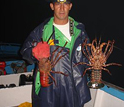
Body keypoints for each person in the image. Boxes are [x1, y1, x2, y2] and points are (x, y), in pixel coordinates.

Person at [20, 0, 91, 107]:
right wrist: (34, 52)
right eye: (58, 3)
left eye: (65, 3)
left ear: (70, 6)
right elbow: (24, 51)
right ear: (52, 6)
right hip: (48, 88)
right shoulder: (42, 30)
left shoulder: (79, 31)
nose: (62, 8)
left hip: (74, 87)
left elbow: (87, 57)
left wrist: (92, 61)